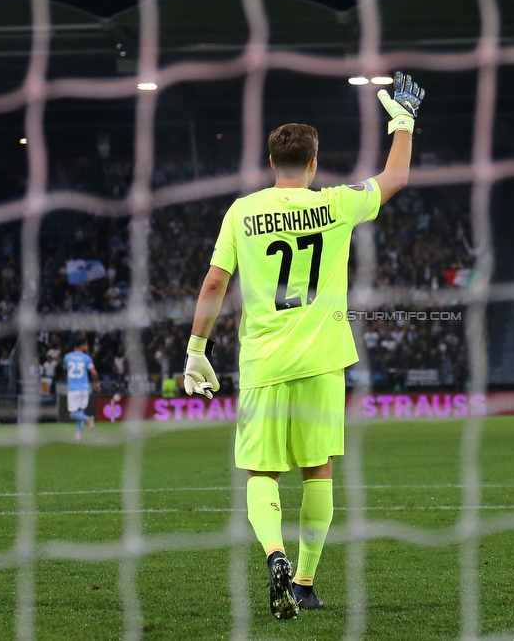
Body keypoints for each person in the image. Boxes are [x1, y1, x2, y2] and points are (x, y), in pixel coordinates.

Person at [182, 72, 424, 620]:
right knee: (318, 471)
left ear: (273, 164)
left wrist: (198, 348)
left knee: (261, 475)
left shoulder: (243, 212)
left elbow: (215, 284)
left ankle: (274, 555)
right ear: (314, 164)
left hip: (264, 362)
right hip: (321, 359)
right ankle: (308, 582)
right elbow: (396, 176)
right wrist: (403, 122)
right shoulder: (337, 204)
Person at [63, 336, 99, 441]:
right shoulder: (86, 358)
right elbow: (94, 372)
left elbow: (65, 370)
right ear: (82, 346)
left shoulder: (67, 357)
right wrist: (96, 383)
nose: (87, 346)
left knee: (73, 414)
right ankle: (78, 434)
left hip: (73, 388)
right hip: (84, 388)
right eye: (86, 344)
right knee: (80, 412)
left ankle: (88, 419)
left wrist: (69, 376)